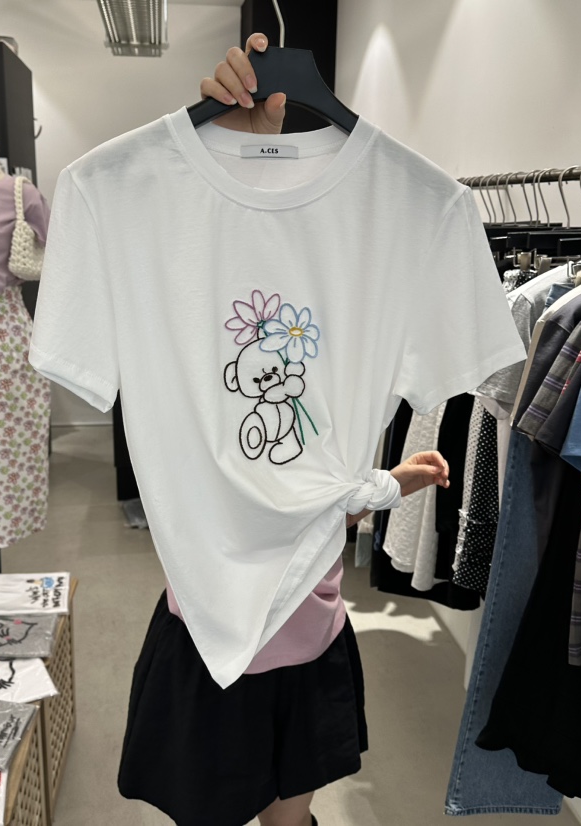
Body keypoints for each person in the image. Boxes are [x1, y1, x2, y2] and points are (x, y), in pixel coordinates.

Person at [116, 33, 451, 826]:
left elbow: (333, 493)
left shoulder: (413, 211)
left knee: (283, 816)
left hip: (302, 633)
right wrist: (230, 157)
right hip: (214, 634)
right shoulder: (141, 208)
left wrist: (394, 482)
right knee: (222, 806)